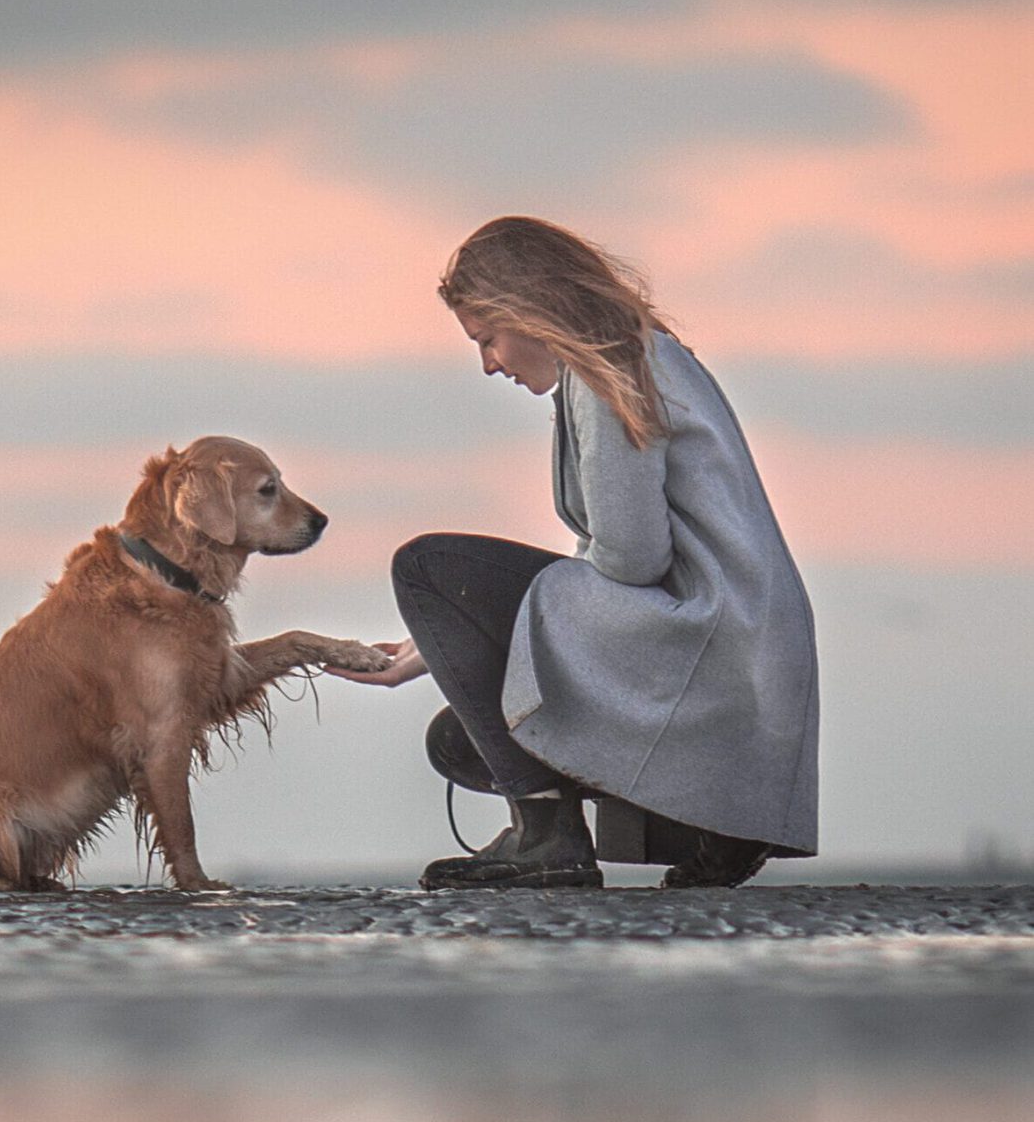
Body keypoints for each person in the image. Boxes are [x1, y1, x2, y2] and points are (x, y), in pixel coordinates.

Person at [330, 216, 819, 891]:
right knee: (459, 739)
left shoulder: (605, 370)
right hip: (743, 656)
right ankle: (710, 828)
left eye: (488, 338)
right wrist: (433, 646)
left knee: (427, 568)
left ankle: (545, 836)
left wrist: (464, 609)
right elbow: (618, 553)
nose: (489, 364)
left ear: (528, 311)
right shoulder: (642, 354)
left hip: (705, 642)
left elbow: (631, 559)